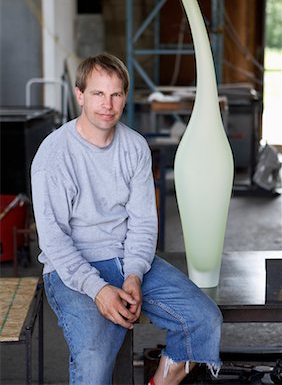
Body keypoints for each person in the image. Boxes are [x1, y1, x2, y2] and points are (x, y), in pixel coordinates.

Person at [31, 52, 222, 385]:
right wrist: (100, 290)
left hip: (125, 258)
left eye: (116, 94)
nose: (108, 104)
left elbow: (144, 223)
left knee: (204, 319)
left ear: (125, 97)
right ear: (80, 95)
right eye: (98, 93)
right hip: (72, 268)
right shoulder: (54, 154)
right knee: (95, 359)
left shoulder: (134, 147)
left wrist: (134, 273)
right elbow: (54, 240)